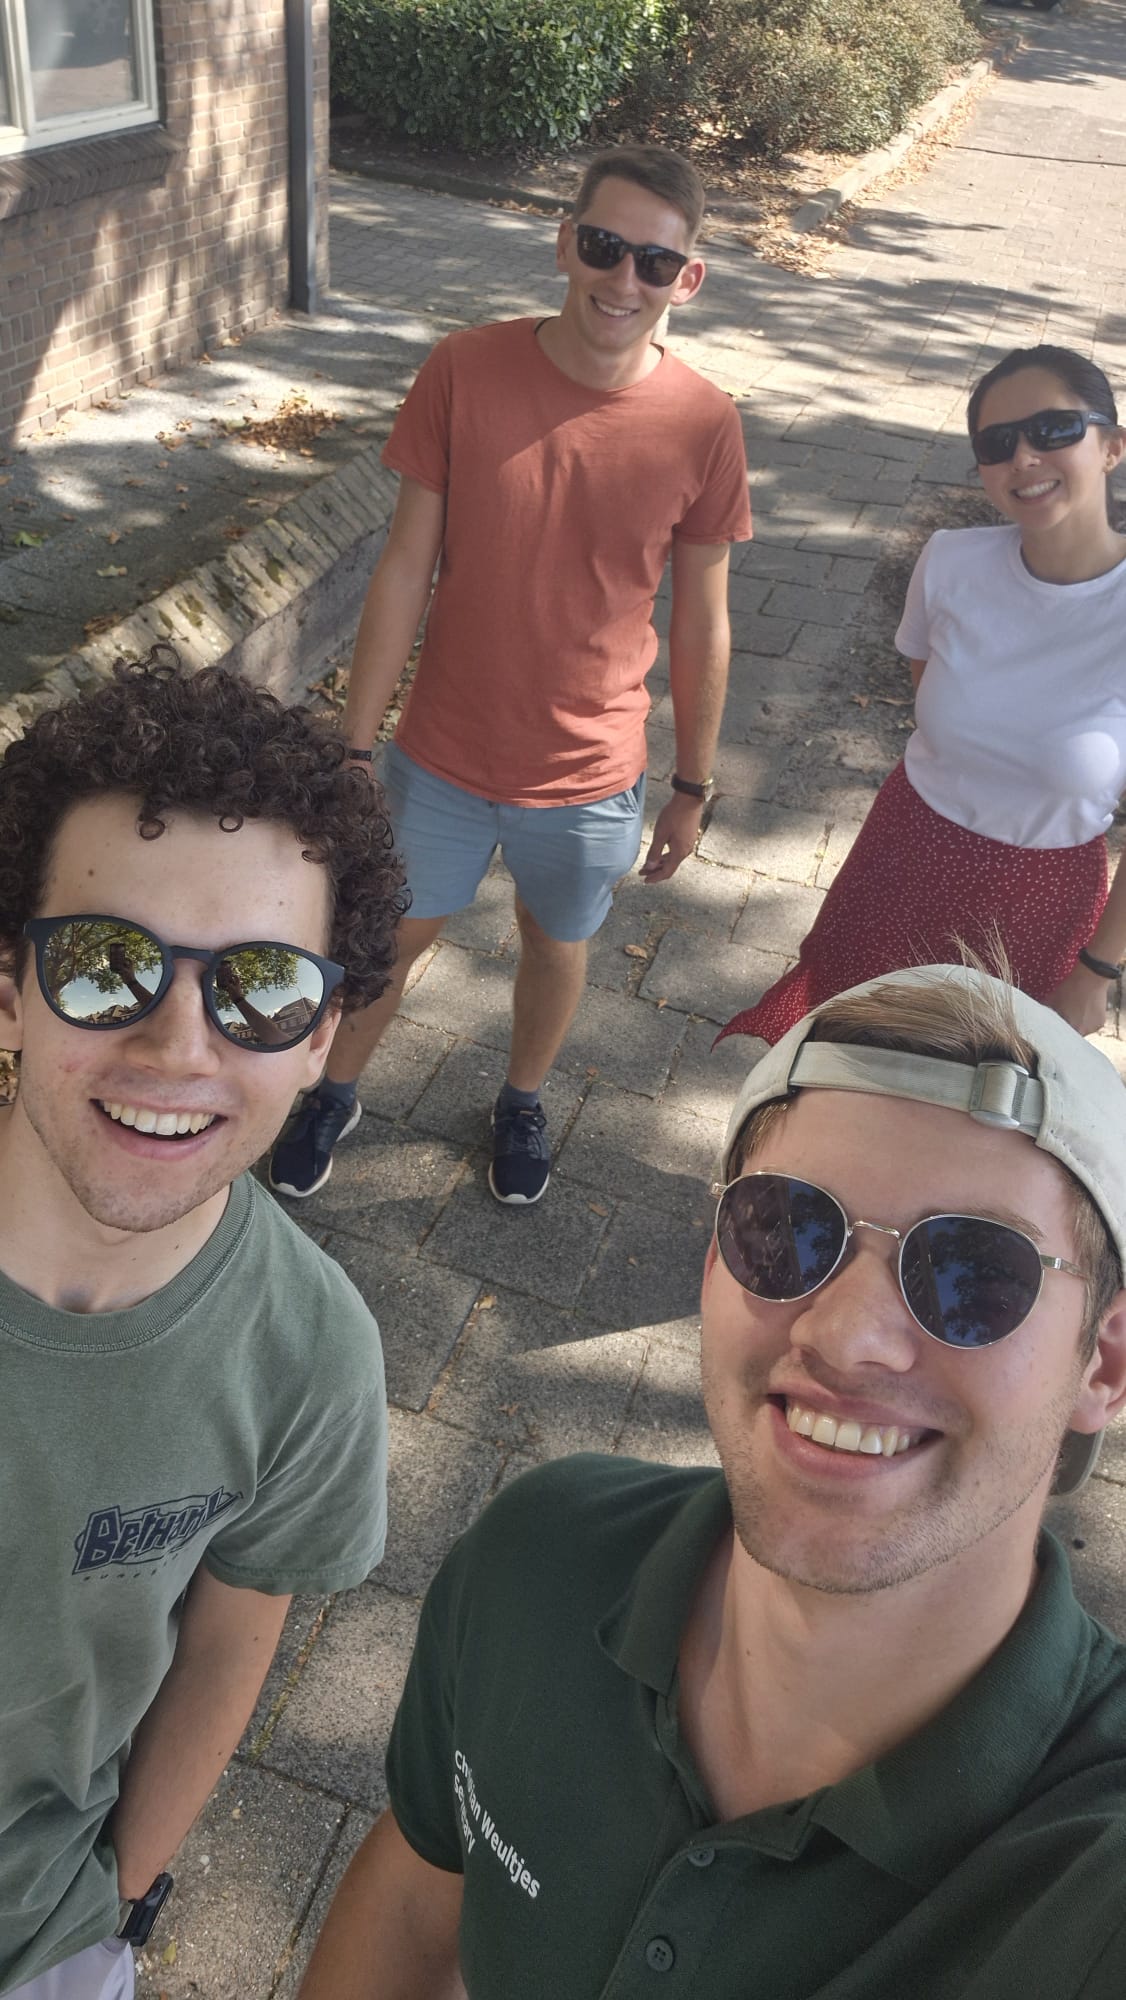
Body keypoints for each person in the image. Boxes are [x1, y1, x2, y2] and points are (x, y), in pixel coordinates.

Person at [298, 961, 1126, 2000]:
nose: (846, 1336)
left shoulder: (1089, 1883)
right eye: (785, 1229)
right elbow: (420, 1904)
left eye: (974, 1272)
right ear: (711, 1264)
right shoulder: (536, 1557)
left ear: (1103, 1364)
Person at [0, 647, 406, 1999]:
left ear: (321, 1035)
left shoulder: (310, 1357)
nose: (178, 1047)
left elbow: (230, 1643)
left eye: (261, 986)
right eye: (103, 964)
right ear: (10, 985)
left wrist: (116, 1897)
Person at [268, 143, 752, 1210]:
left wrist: (692, 782)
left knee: (555, 941)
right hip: (439, 755)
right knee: (391, 941)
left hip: (590, 772)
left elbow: (702, 620)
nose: (623, 280)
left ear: (688, 279)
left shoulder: (704, 423)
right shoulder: (464, 368)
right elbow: (404, 566)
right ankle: (332, 1091)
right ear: (564, 242)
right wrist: (354, 746)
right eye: (604, 246)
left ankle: (522, 1098)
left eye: (654, 262)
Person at [722, 345, 1126, 1048]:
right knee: (848, 1055)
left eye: (1053, 430)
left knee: (980, 1089)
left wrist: (1099, 968)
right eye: (997, 444)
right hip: (907, 853)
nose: (1024, 457)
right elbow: (929, 702)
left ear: (1112, 447)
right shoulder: (951, 560)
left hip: (1040, 897)